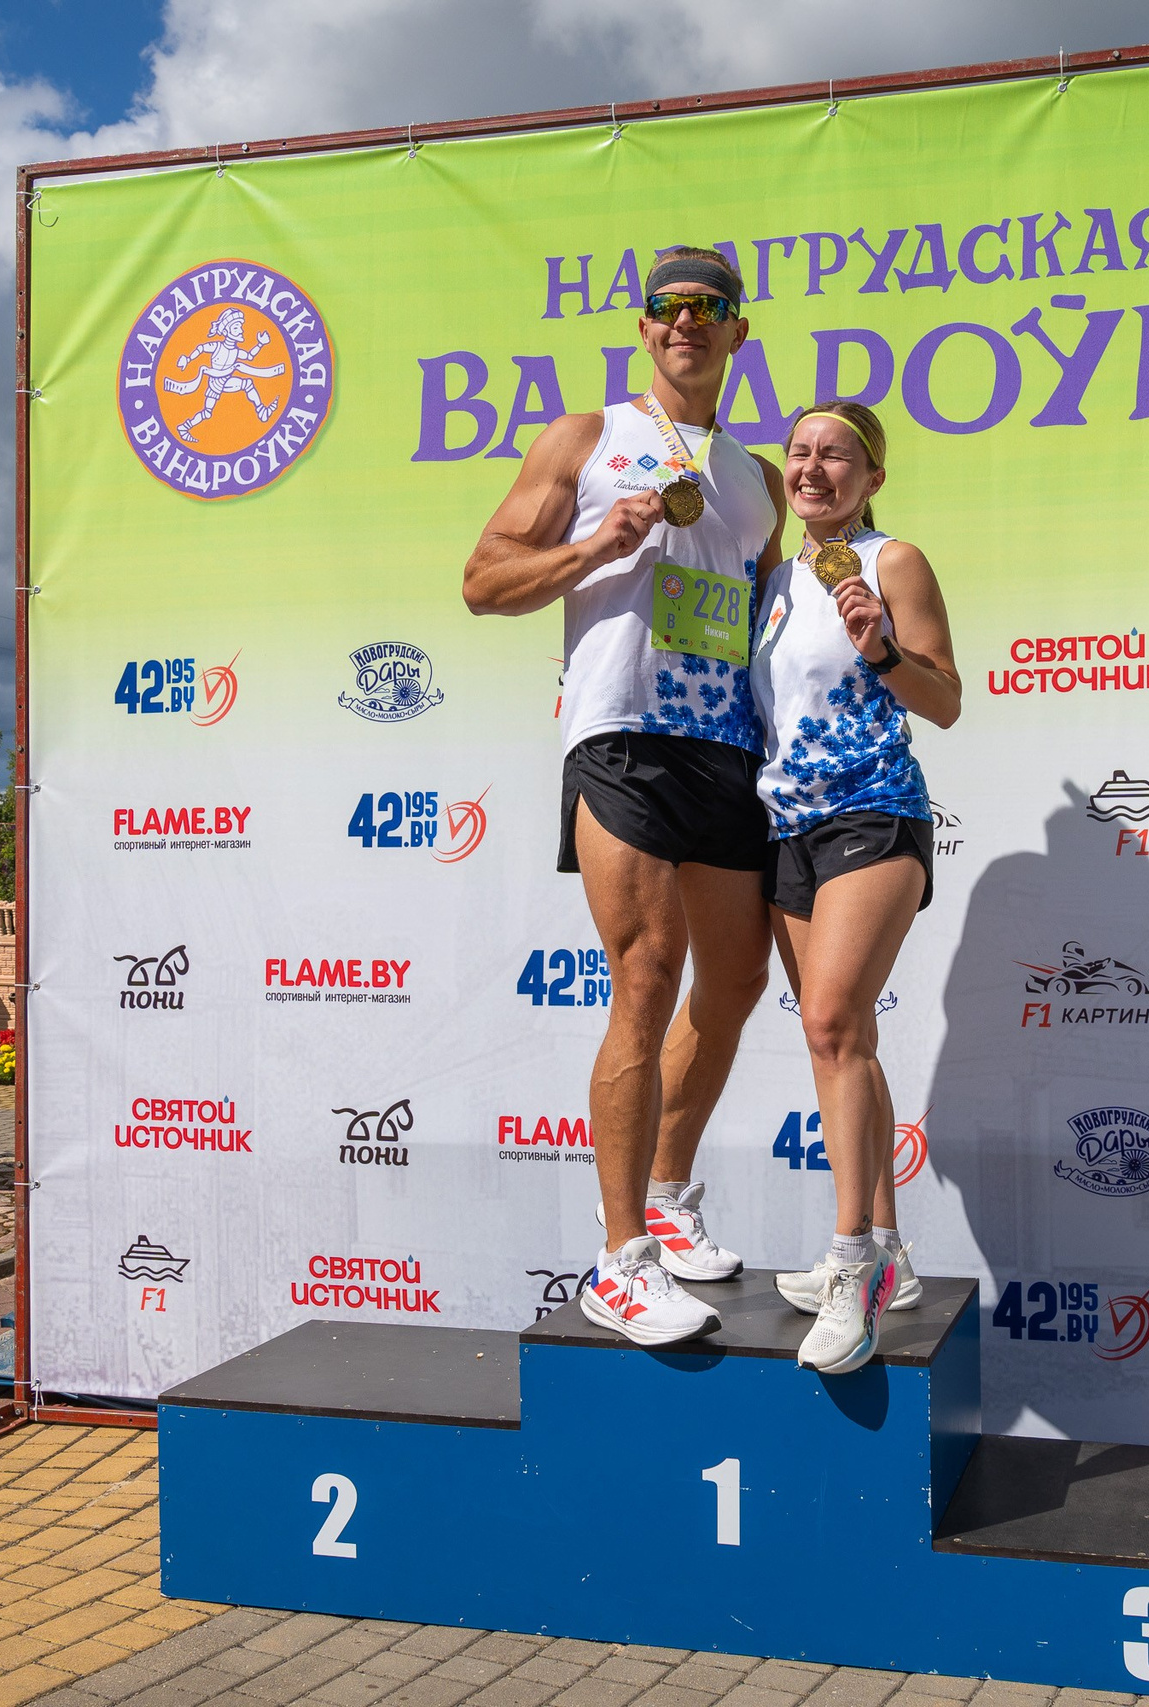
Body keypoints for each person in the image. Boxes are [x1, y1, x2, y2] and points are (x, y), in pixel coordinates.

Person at [463, 247, 787, 1346]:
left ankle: (666, 1192)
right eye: (667, 307)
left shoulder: (757, 477)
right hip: (625, 738)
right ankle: (618, 1258)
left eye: (708, 308)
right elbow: (482, 579)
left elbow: (760, 621)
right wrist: (596, 545)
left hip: (725, 750)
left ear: (738, 331)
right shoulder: (586, 437)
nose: (686, 322)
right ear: (644, 329)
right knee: (645, 980)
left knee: (735, 984)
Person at [750, 401, 960, 1372]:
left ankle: (851, 1268)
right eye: (798, 452)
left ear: (871, 477)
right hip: (783, 828)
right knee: (841, 1038)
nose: (812, 468)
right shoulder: (768, 580)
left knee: (833, 1022)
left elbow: (945, 699)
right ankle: (889, 1251)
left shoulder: (893, 562)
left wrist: (881, 647)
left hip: (874, 811)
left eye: (837, 455)